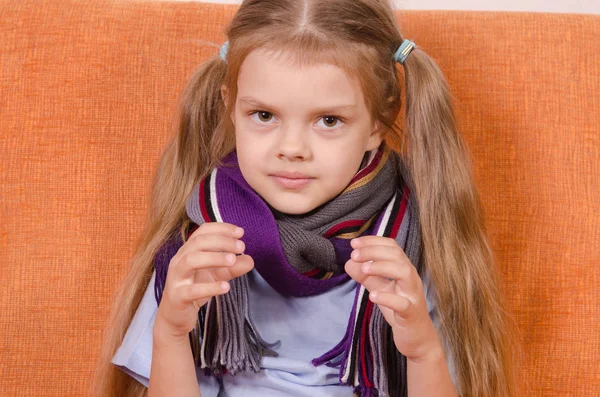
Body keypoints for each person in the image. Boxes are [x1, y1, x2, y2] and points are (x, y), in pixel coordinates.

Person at [93, 1, 520, 396]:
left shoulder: (409, 248)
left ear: (376, 123)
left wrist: (423, 351)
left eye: (329, 120)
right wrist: (169, 333)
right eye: (264, 116)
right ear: (231, 108)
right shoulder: (203, 243)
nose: (292, 147)